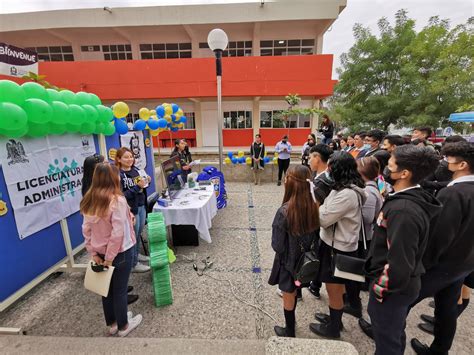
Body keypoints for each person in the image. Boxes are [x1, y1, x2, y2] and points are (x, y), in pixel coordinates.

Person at [360, 145, 441, 355]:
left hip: (392, 290)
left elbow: (399, 261)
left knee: (387, 341)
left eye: (390, 165)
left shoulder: (403, 211)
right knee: (393, 333)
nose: (385, 170)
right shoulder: (404, 200)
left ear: (404, 173)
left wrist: (380, 288)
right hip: (399, 286)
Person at [409, 141, 474, 355]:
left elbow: (440, 235)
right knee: (446, 309)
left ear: (463, 164)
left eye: (448, 160)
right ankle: (439, 350)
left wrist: (421, 263)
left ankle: (384, 333)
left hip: (441, 263)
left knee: (400, 301)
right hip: (463, 263)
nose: (444, 163)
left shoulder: (454, 193)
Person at [80, 163, 143, 337]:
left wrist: (94, 253)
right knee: (120, 290)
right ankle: (124, 326)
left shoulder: (89, 199)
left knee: (105, 290)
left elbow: (86, 230)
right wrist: (110, 257)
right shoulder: (117, 200)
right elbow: (117, 233)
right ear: (112, 178)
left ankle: (113, 324)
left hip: (100, 254)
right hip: (121, 252)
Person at [309, 151, 367, 339]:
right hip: (335, 243)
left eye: (331, 166)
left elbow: (323, 218)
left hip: (338, 248)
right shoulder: (342, 188)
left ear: (339, 169)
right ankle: (335, 318)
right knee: (335, 289)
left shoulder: (347, 194)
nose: (328, 169)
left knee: (334, 289)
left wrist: (320, 206)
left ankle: (334, 329)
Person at [268, 165, 320, 337]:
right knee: (296, 288)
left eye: (287, 177)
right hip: (305, 261)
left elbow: (278, 245)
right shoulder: (314, 205)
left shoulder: (284, 211)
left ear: (291, 183)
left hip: (288, 262)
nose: (284, 180)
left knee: (288, 294)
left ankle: (289, 330)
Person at [344, 157, 384, 318]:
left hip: (362, 238)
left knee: (353, 273)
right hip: (362, 236)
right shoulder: (372, 187)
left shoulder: (369, 192)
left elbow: (367, 218)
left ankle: (354, 303)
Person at [115, 147, 151, 273]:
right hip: (130, 210)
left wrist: (147, 182)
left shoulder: (136, 170)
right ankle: (133, 264)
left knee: (138, 233)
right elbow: (121, 196)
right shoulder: (118, 175)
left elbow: (142, 187)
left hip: (141, 206)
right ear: (119, 159)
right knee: (132, 236)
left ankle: (136, 256)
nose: (130, 159)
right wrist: (137, 187)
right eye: (126, 157)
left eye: (131, 157)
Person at [306, 144, 334, 299]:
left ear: (317, 158)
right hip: (324, 225)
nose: (309, 160)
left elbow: (315, 208)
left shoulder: (322, 181)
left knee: (316, 253)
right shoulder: (324, 177)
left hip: (320, 226)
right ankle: (315, 284)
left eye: (311, 157)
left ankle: (312, 283)